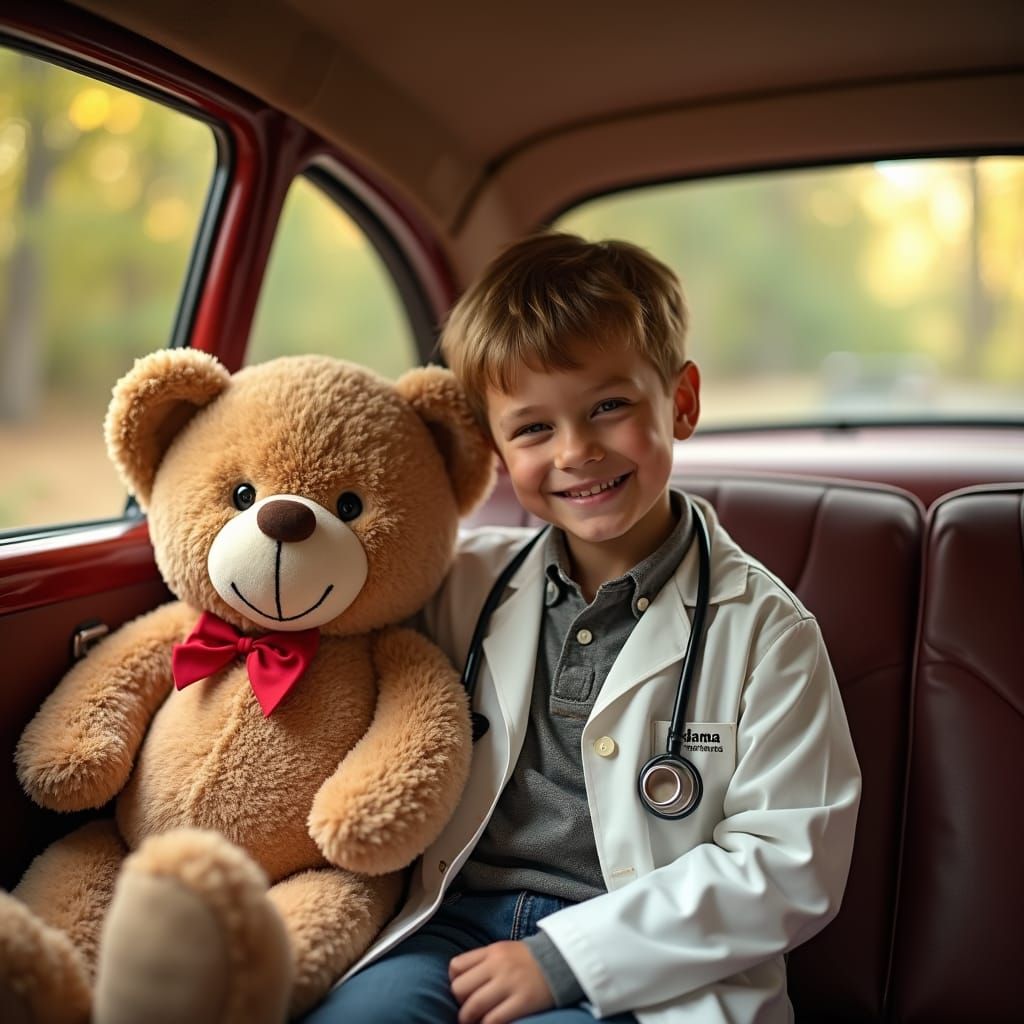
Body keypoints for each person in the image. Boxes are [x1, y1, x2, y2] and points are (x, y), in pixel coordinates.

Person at [304, 232, 861, 1024]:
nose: (576, 451)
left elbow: (788, 865)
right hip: (451, 931)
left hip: (645, 971)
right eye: (533, 429)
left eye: (609, 407)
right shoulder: (460, 584)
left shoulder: (767, 631)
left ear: (683, 402)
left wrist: (565, 960)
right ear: (494, 445)